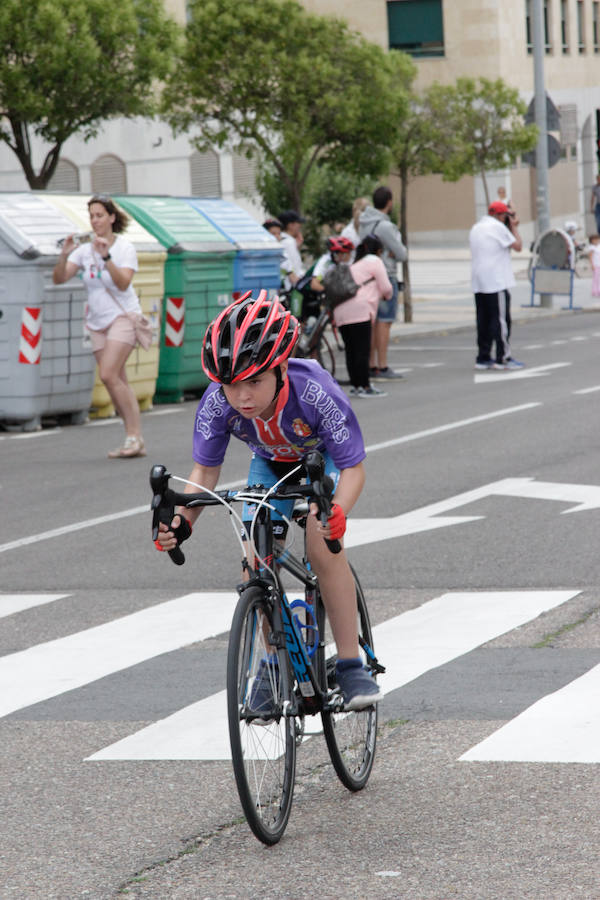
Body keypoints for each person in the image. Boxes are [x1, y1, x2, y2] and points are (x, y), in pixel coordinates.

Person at [155, 291, 383, 711]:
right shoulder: (216, 402)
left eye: (255, 382)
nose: (242, 397)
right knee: (256, 555)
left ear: (280, 369)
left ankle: (352, 666)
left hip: (323, 461)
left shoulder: (314, 390)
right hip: (273, 464)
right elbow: (204, 474)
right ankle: (273, 666)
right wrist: (182, 522)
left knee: (320, 543)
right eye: (231, 386)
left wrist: (336, 513)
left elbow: (354, 468)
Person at [52, 194, 146, 458]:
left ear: (112, 217)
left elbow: (124, 283)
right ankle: (134, 437)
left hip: (123, 317)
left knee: (107, 374)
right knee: (117, 379)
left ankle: (134, 436)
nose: (95, 221)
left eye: (100, 215)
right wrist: (64, 255)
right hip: (96, 323)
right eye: (92, 216)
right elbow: (60, 278)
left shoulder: (124, 247)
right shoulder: (84, 250)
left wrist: (106, 258)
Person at [358, 186, 407, 381]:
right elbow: (402, 253)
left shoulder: (363, 223)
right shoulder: (386, 226)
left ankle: (370, 365)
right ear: (389, 202)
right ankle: (382, 366)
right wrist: (391, 252)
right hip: (385, 275)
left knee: (371, 323)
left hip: (367, 277)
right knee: (384, 323)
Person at [469, 200, 525, 371]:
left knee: (483, 320)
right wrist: (514, 226)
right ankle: (503, 357)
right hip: (496, 281)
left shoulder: (476, 227)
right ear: (501, 215)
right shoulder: (498, 227)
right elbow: (518, 246)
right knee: (501, 320)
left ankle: (483, 356)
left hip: (479, 281)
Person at [335, 234, 392, 399]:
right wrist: (386, 296)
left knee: (351, 350)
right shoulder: (375, 261)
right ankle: (365, 386)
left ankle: (355, 385)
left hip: (341, 310)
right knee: (362, 350)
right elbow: (387, 287)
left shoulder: (356, 264)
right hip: (360, 309)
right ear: (379, 250)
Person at [278, 210, 305, 291]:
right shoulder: (289, 242)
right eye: (298, 223)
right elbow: (295, 268)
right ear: (290, 225)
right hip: (292, 288)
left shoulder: (284, 240)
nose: (300, 226)